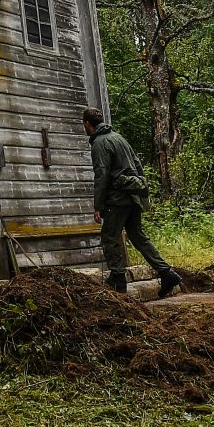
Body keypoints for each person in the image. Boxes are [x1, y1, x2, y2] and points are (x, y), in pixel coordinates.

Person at [84, 108, 182, 298]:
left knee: (110, 236)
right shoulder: (119, 138)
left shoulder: (99, 143)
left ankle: (118, 279)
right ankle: (167, 273)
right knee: (137, 236)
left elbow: (101, 176)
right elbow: (137, 165)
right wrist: (140, 189)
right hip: (133, 195)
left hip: (118, 199)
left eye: (85, 125)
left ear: (88, 123)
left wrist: (98, 206)